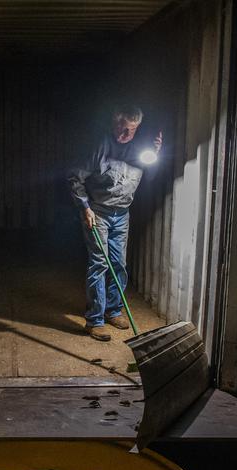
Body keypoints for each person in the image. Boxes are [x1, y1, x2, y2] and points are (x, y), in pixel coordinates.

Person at [68, 105, 162, 341]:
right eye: (120, 128)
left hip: (122, 213)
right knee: (99, 263)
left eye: (129, 130)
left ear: (136, 128)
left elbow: (150, 177)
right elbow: (74, 177)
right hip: (97, 212)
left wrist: (156, 155)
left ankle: (113, 310)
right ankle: (95, 320)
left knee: (118, 263)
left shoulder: (143, 149)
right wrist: (85, 207)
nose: (123, 134)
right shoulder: (99, 146)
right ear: (113, 123)